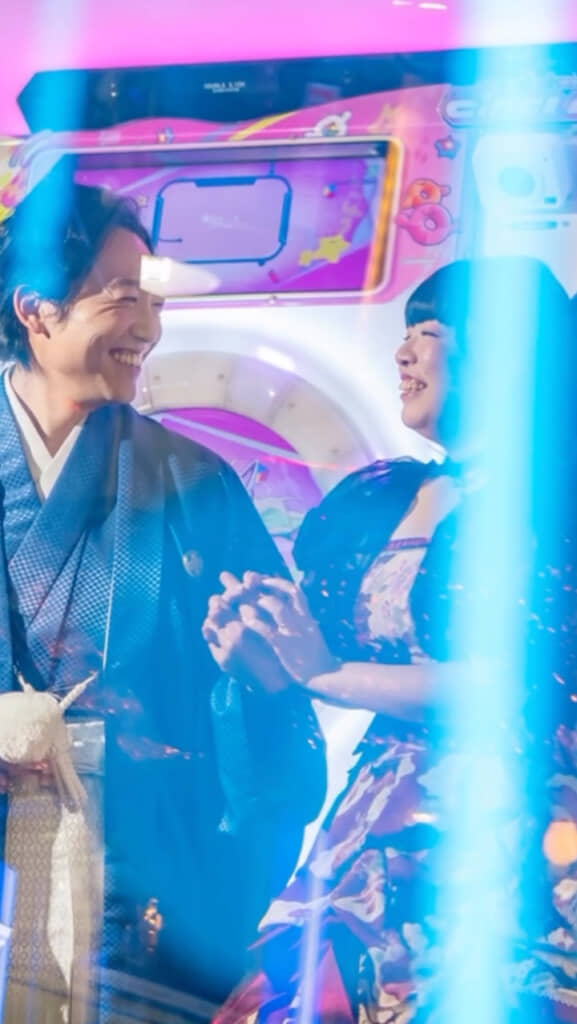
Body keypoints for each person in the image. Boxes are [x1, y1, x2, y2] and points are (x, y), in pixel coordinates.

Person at [205, 258, 577, 1023]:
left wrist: (325, 673)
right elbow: (315, 659)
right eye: (403, 333)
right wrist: (258, 650)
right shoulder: (387, 495)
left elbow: (509, 685)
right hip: (376, 813)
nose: (401, 354)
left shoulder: (551, 502)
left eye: (427, 333)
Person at [0, 169, 325, 1022]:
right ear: (35, 309)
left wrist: (256, 675)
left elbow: (266, 701)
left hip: (139, 864)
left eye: (153, 303)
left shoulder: (192, 482)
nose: (147, 328)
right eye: (122, 299)